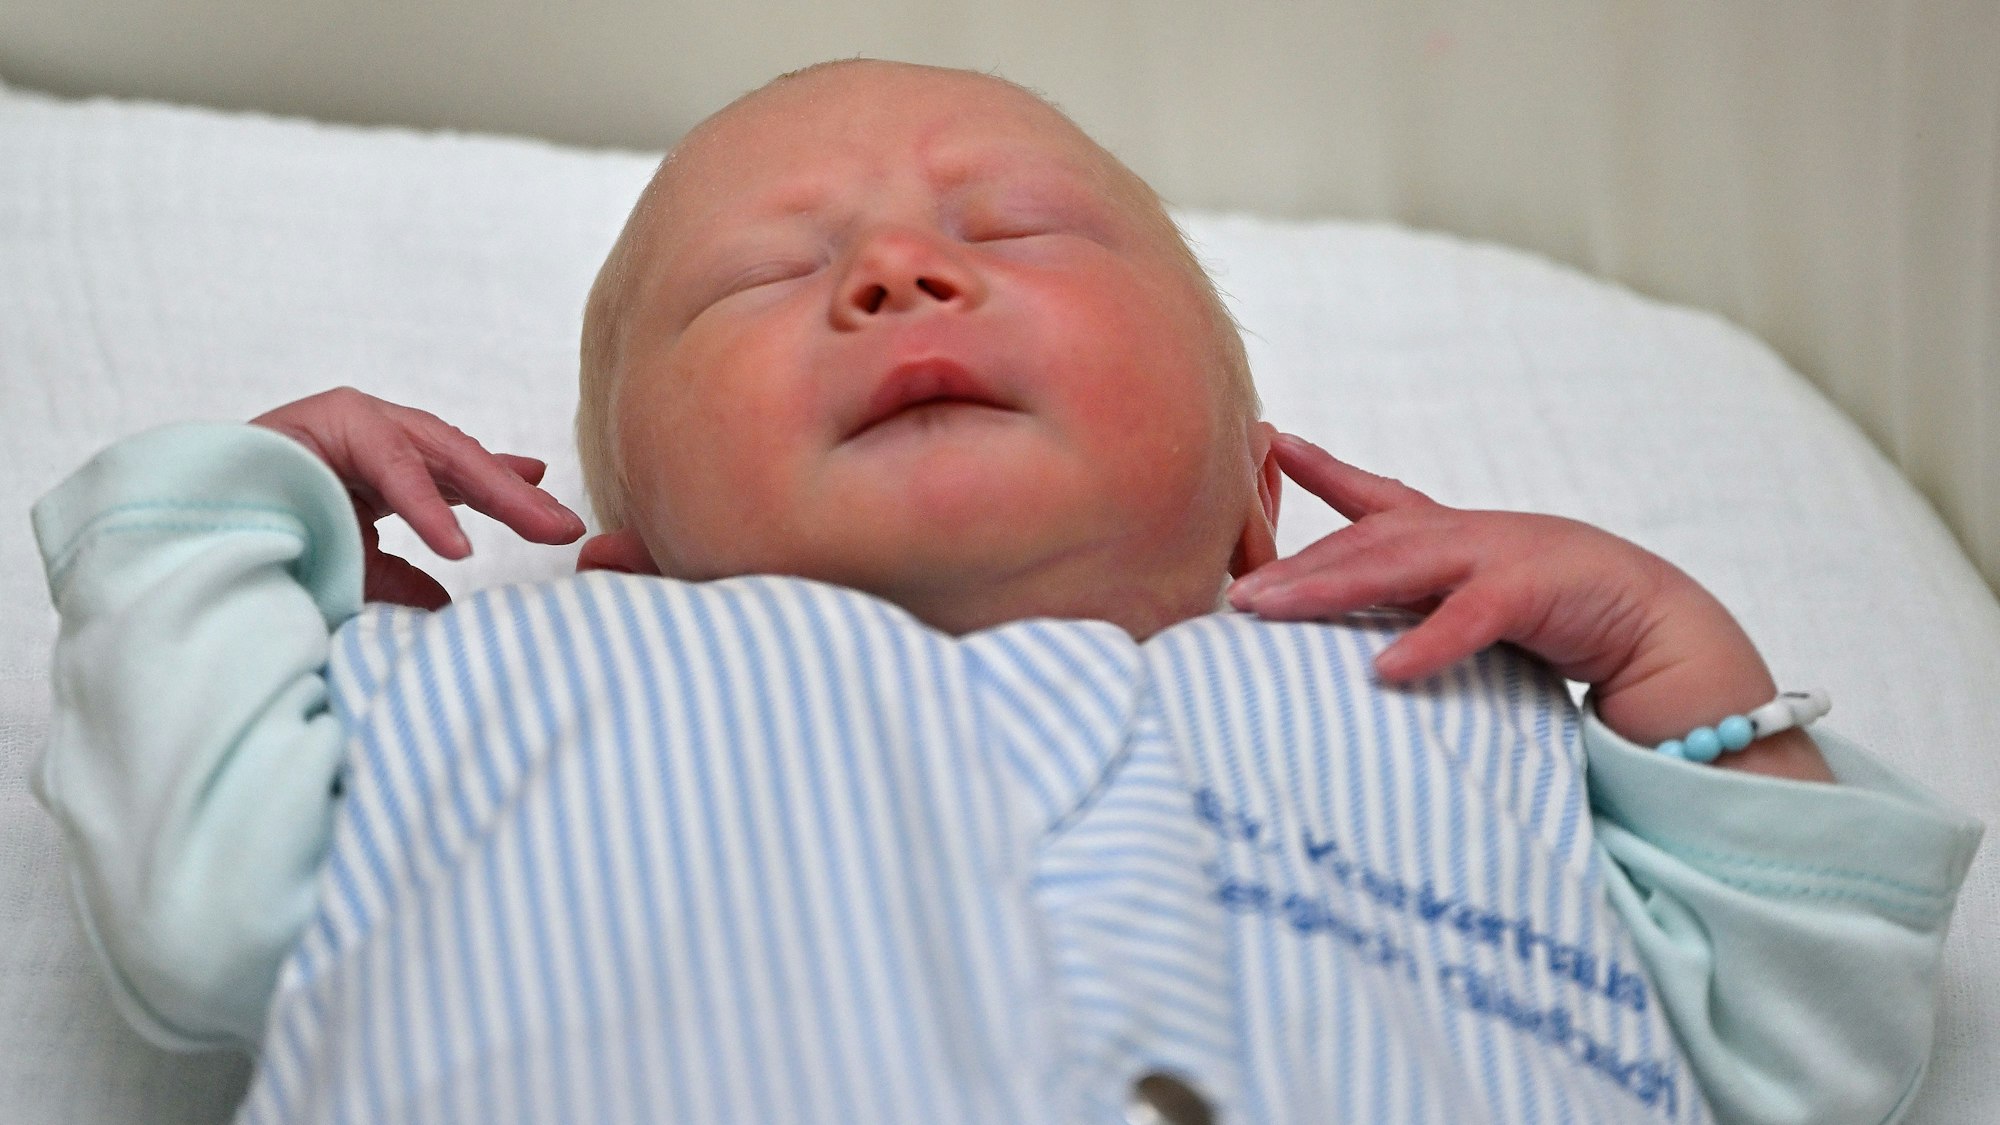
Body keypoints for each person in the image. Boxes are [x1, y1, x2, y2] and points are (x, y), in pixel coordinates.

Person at [30, 59, 1980, 1125]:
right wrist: (242, 517)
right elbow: (201, 908)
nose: (892, 274)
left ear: (1250, 497)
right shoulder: (522, 679)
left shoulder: (1442, 691)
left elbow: (1804, 1049)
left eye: (1010, 231)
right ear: (628, 545)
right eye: (759, 280)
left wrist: (1671, 653)